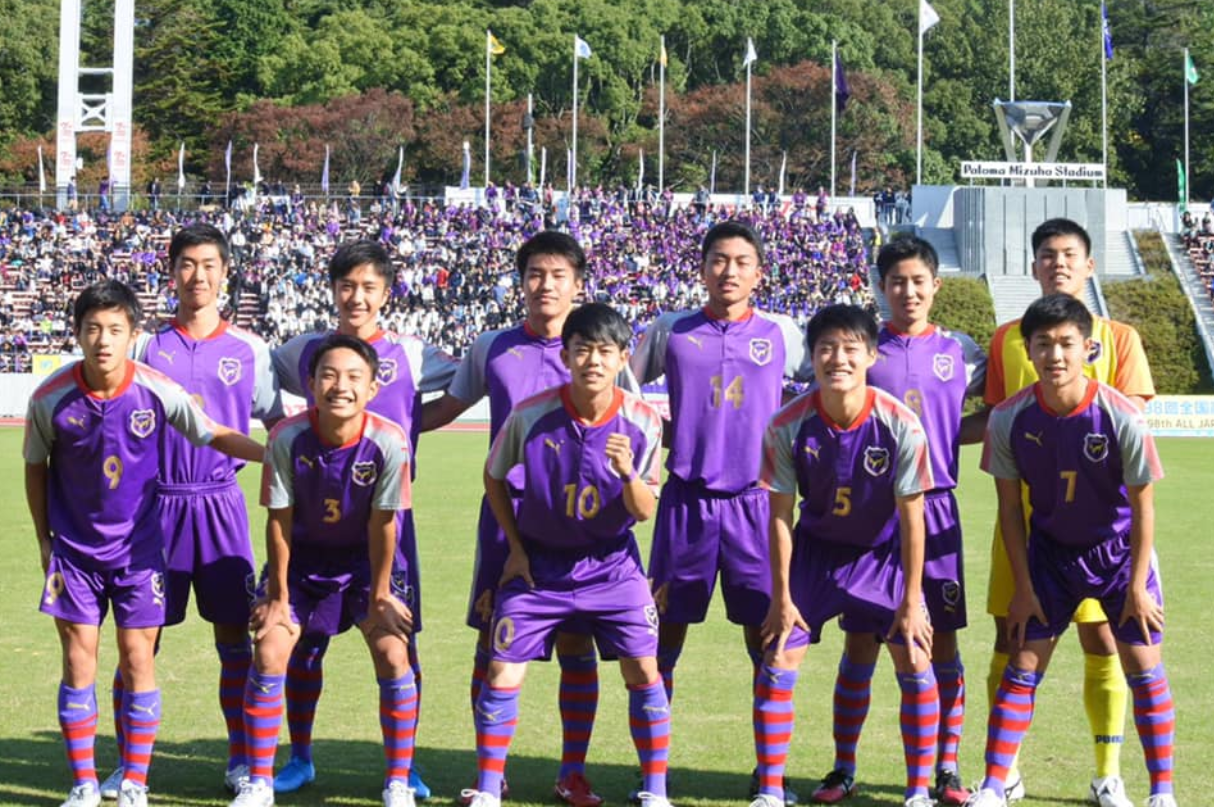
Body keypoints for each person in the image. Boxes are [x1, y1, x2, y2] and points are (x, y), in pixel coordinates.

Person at [24, 280, 264, 807]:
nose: (102, 340)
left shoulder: (157, 389)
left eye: (114, 329)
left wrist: (275, 456)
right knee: (77, 661)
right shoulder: (50, 398)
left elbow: (213, 433)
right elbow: (35, 469)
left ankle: (135, 781)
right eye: (92, 329)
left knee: (138, 659)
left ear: (133, 335)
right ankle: (84, 785)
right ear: (77, 334)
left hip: (140, 553)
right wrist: (45, 541)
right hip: (76, 555)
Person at [421, 231, 611, 807]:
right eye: (535, 273)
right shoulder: (492, 348)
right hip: (507, 520)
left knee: (578, 645)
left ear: (579, 284)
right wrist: (379, 419)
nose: (545, 284)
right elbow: (449, 407)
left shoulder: (601, 346)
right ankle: (491, 777)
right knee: (492, 645)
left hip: (580, 521)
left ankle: (572, 772)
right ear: (520, 280)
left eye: (558, 274)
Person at [97, 225, 282, 799]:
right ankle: (130, 764)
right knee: (139, 641)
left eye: (208, 265)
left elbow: (278, 428)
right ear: (170, 271)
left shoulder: (251, 350)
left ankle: (240, 758)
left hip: (222, 507)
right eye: (186, 265)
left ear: (225, 273)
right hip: (158, 510)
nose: (197, 276)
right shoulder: (148, 346)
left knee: (235, 637)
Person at [968, 294, 1174, 807]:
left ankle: (1162, 792)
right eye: (1043, 344)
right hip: (1051, 554)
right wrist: (1023, 586)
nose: (1055, 355)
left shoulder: (1121, 414)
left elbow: (1143, 506)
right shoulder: (1008, 418)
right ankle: (995, 785)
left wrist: (1136, 585)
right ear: (1029, 350)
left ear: (1088, 348)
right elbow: (1011, 510)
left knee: (1143, 666)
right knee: (1023, 665)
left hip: (1118, 553)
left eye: (1066, 344)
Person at [629, 220, 811, 802]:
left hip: (758, 505)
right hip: (685, 502)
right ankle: (654, 780)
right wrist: (654, 439)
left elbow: (834, 376)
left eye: (740, 261)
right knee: (662, 639)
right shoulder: (671, 330)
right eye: (717, 260)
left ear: (759, 271)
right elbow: (624, 389)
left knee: (768, 638)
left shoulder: (784, 333)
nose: (728, 271)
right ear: (701, 266)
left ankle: (771, 782)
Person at [464, 303, 670, 807]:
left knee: (643, 670)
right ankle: (489, 789)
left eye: (604, 351)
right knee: (501, 669)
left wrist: (626, 473)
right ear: (566, 354)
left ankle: (655, 790)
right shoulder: (531, 415)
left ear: (623, 357)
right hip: (541, 565)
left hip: (612, 566)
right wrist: (514, 548)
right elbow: (493, 476)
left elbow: (644, 510)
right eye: (582, 349)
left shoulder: (643, 420)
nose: (592, 361)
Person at [271, 240, 456, 796]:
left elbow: (462, 391)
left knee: (398, 637)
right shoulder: (302, 351)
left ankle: (406, 764)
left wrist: (415, 433)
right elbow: (263, 386)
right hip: (313, 519)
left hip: (386, 520)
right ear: (332, 290)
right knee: (303, 642)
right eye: (346, 286)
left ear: (387, 294)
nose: (357, 297)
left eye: (369, 287)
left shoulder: (414, 355)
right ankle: (299, 756)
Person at [809, 237, 984, 806]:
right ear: (880, 288)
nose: (908, 292)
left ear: (936, 285)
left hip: (936, 511)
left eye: (918, 281)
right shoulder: (862, 349)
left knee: (941, 641)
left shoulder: (962, 350)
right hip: (873, 517)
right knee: (861, 640)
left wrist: (951, 445)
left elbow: (986, 414)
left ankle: (947, 769)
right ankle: (843, 767)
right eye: (896, 282)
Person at [750, 304, 938, 807]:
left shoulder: (901, 425)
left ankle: (918, 791)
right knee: (780, 651)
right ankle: (771, 789)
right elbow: (778, 517)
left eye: (851, 348)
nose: (838, 358)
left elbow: (913, 518)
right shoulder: (786, 425)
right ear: (812, 357)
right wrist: (782, 596)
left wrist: (912, 599)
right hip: (816, 553)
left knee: (915, 654)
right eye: (827, 348)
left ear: (871, 356)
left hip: (881, 555)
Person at [227, 334, 418, 807]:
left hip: (362, 564)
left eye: (354, 377)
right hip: (302, 562)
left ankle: (398, 781)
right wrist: (278, 596)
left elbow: (384, 527)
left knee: (395, 654)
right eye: (329, 375)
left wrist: (380, 595)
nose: (341, 386)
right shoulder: (286, 437)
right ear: (310, 383)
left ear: (372, 387)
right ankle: (261, 782)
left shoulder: (389, 441)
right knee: (271, 650)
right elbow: (280, 523)